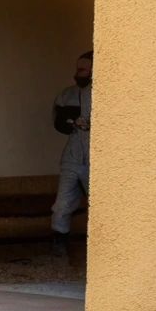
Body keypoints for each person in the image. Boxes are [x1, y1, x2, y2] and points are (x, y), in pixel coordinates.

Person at [50, 51, 93, 241]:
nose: (77, 73)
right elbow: (58, 122)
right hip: (72, 158)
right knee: (62, 205)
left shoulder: (107, 95)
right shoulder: (67, 95)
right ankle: (59, 246)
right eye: (77, 69)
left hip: (97, 160)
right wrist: (72, 123)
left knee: (101, 207)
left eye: (82, 69)